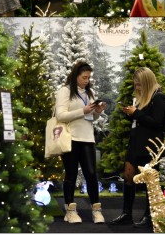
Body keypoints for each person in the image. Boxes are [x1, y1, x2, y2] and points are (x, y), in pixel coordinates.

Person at [109, 67, 165, 228]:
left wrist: (136, 113)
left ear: (147, 82)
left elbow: (157, 123)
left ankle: (150, 216)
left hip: (150, 145)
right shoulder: (142, 98)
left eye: (140, 84)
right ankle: (126, 214)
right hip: (136, 142)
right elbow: (141, 120)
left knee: (150, 180)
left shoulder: (158, 98)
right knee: (128, 174)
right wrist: (130, 114)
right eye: (135, 84)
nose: (137, 87)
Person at [56, 61, 106, 224]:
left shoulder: (89, 93)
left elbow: (90, 118)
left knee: (91, 175)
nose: (86, 80)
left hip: (87, 139)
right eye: (84, 77)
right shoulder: (65, 91)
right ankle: (70, 211)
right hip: (70, 138)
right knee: (70, 175)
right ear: (76, 75)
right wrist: (82, 111)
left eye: (89, 77)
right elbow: (60, 116)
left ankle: (96, 210)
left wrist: (97, 113)